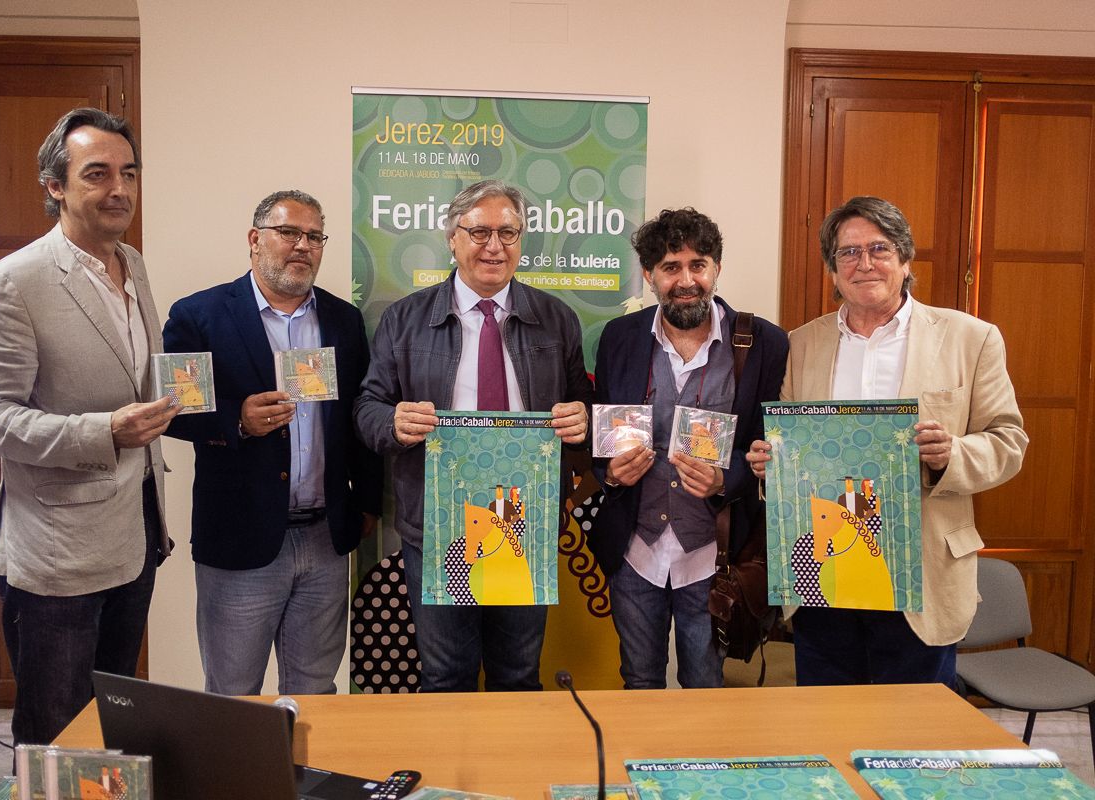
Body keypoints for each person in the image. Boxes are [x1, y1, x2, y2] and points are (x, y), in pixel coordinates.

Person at [746, 195, 1027, 687]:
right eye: (849, 252)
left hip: (919, 573)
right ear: (833, 269)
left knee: (914, 727)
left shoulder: (970, 338)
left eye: (879, 248)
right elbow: (787, 442)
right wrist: (770, 463)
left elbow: (1009, 441)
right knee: (828, 719)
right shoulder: (803, 342)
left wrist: (952, 454)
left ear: (904, 258)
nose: (864, 263)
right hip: (825, 570)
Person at [0, 107, 178, 745]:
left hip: (136, 536)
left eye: (128, 173)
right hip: (57, 557)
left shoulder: (132, 264)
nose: (119, 189)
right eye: (97, 174)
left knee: (109, 729)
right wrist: (103, 431)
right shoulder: (14, 282)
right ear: (54, 185)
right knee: (55, 739)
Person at [354, 179, 593, 692]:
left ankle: (512, 752)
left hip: (522, 522)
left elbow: (584, 410)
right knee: (446, 676)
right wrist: (393, 423)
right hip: (439, 523)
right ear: (452, 237)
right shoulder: (404, 319)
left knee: (517, 674)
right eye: (479, 232)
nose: (494, 246)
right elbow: (367, 408)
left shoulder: (557, 320)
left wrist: (582, 423)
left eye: (508, 233)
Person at [163, 190, 381, 695]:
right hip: (240, 540)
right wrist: (236, 420)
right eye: (289, 233)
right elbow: (174, 411)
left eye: (314, 237)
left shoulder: (343, 320)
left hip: (326, 538)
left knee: (315, 692)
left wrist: (367, 502)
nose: (303, 245)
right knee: (233, 695)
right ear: (254, 239)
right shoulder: (199, 314)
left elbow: (360, 414)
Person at [588, 208, 787, 689]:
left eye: (698, 265)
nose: (686, 280)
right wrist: (610, 472)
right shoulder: (619, 338)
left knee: (705, 686)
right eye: (670, 267)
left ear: (717, 268)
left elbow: (772, 448)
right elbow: (601, 435)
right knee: (639, 680)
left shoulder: (764, 343)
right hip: (635, 550)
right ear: (649, 275)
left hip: (715, 555)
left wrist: (726, 478)